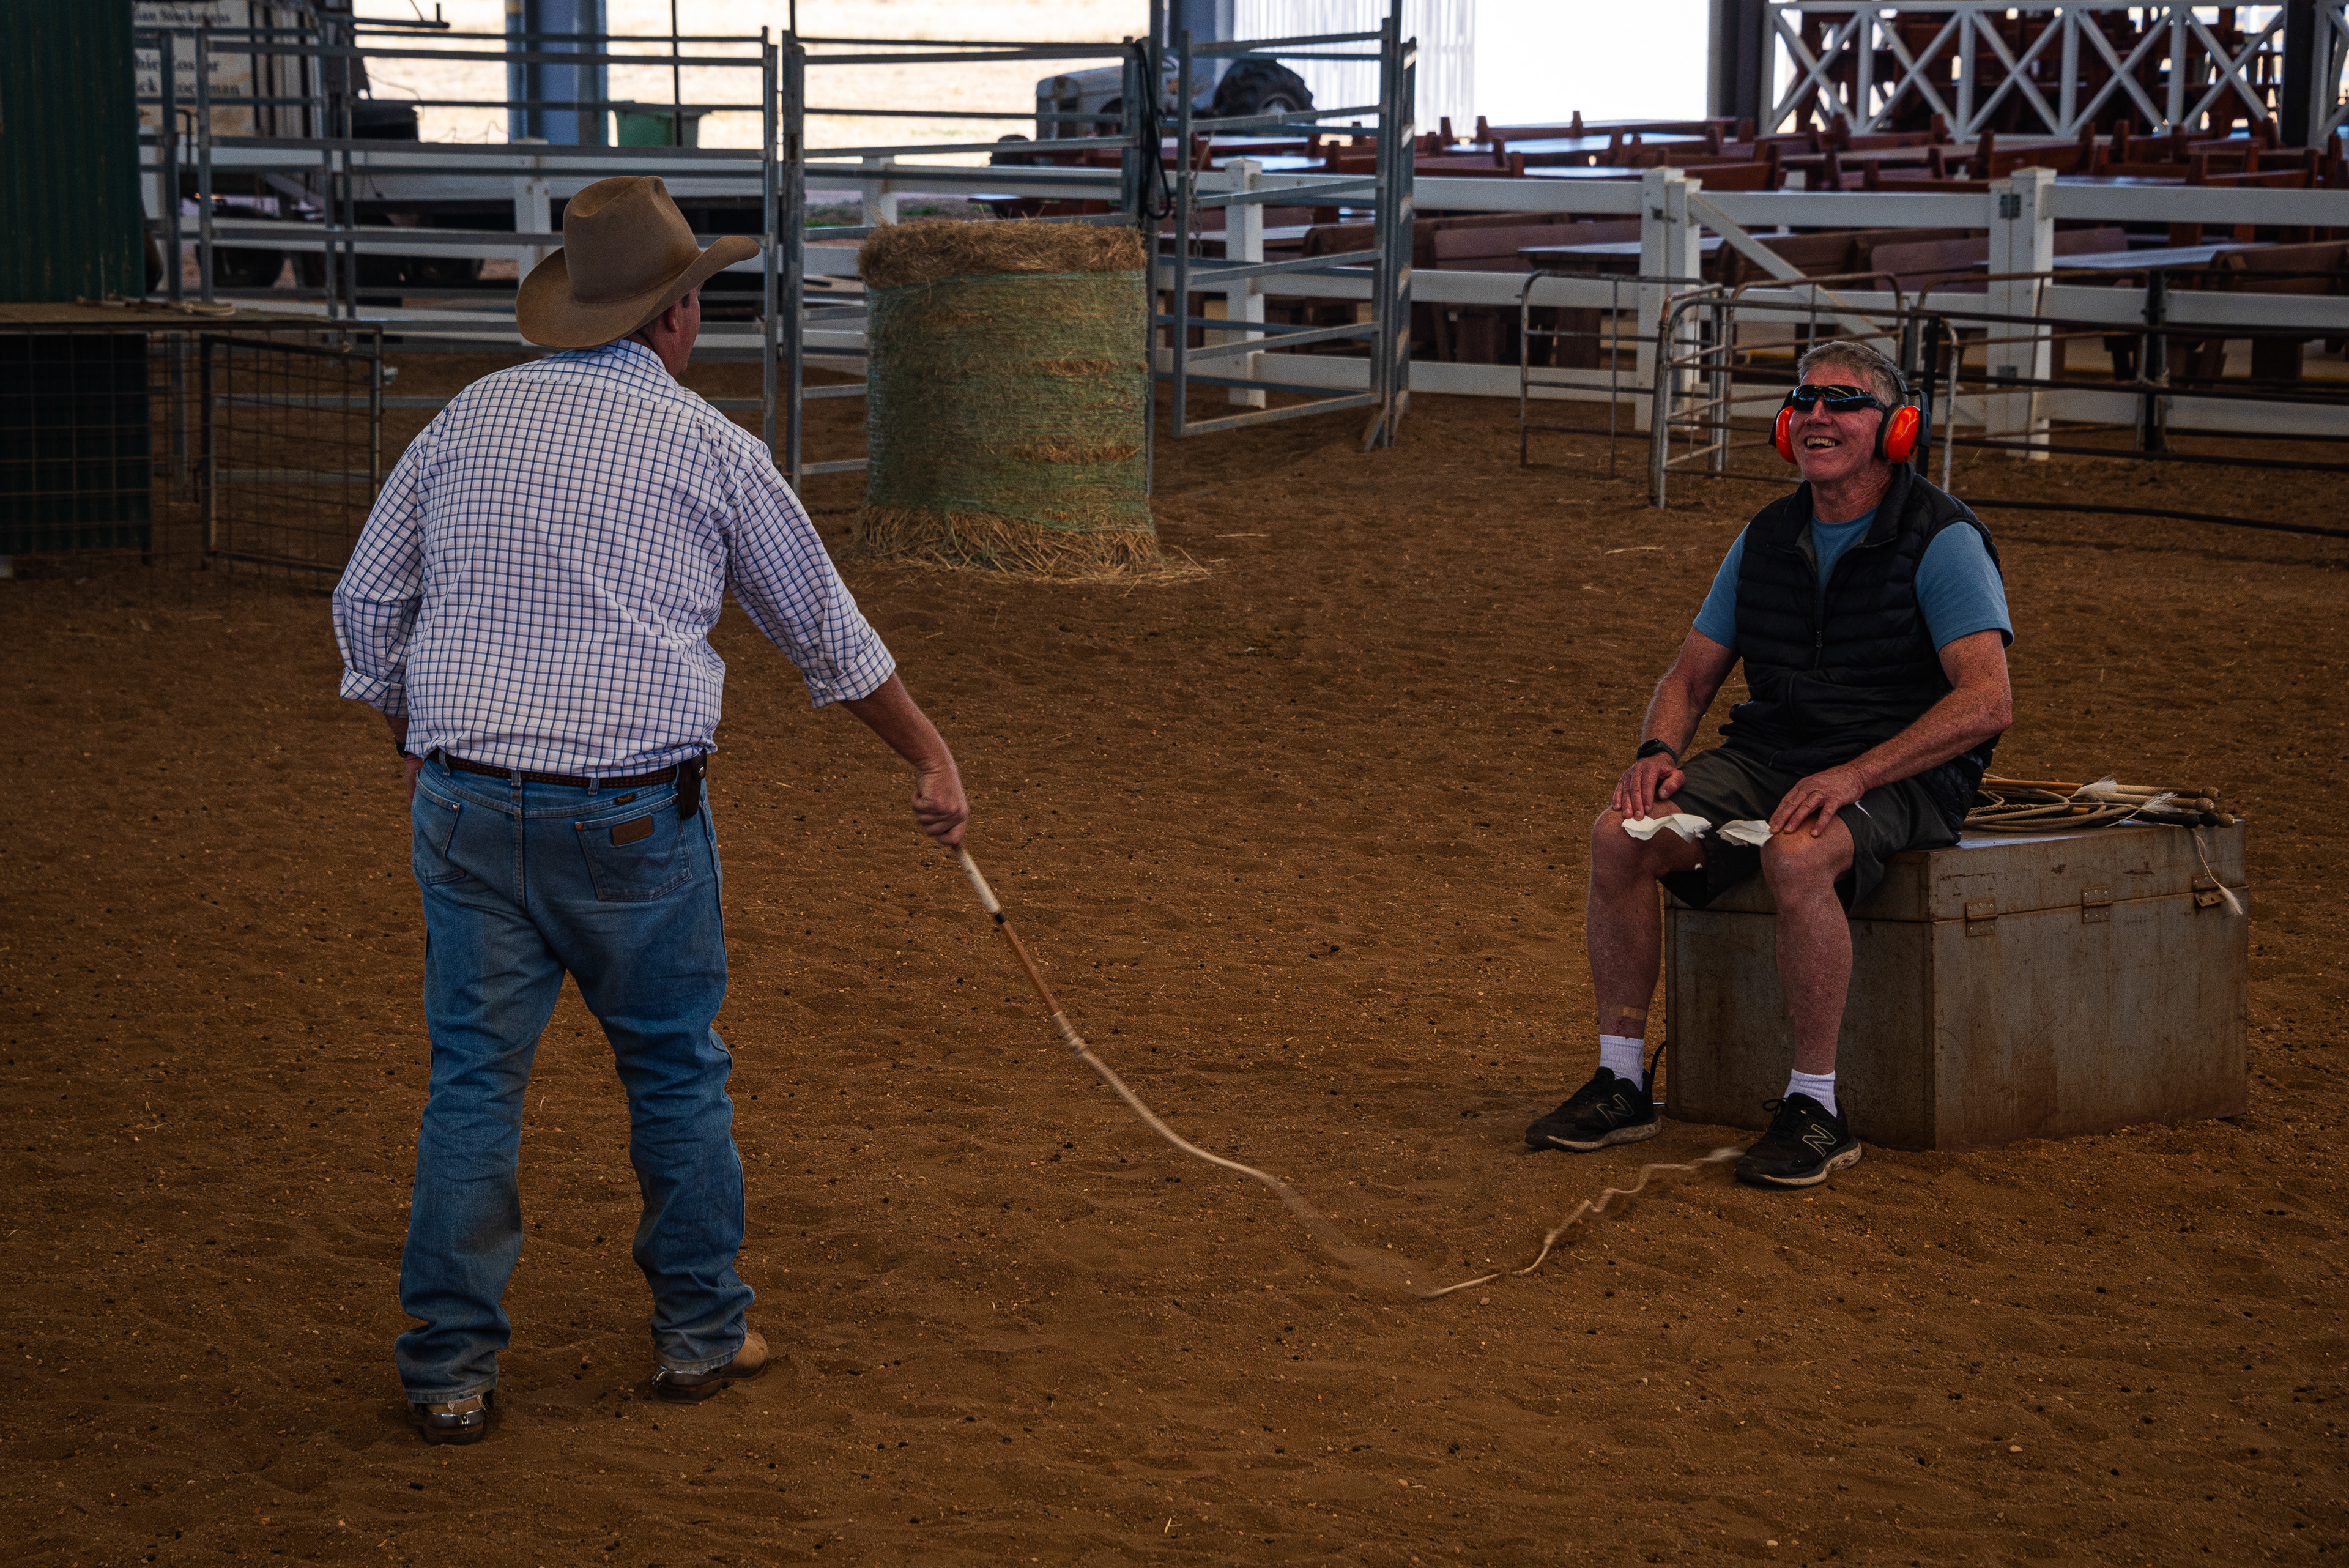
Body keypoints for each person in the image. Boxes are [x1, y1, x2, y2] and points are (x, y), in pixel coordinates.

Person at [332, 176, 968, 1446]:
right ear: (676, 316)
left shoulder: (467, 422)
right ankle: (700, 1330)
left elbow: (365, 604)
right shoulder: (711, 449)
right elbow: (826, 636)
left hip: (467, 800)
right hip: (631, 814)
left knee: (473, 1083)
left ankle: (449, 1365)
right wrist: (929, 753)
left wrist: (412, 727)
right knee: (674, 1070)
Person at [1527, 338, 2012, 1188]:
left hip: (1899, 773)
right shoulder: (1768, 536)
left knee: (1795, 855)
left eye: (1845, 400)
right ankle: (1622, 1080)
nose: (1819, 414)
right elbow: (1689, 674)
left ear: (1897, 427)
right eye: (1807, 400)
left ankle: (1816, 1105)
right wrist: (1657, 752)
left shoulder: (1943, 539)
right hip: (1769, 757)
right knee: (1621, 834)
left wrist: (1856, 775)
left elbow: (1985, 702)